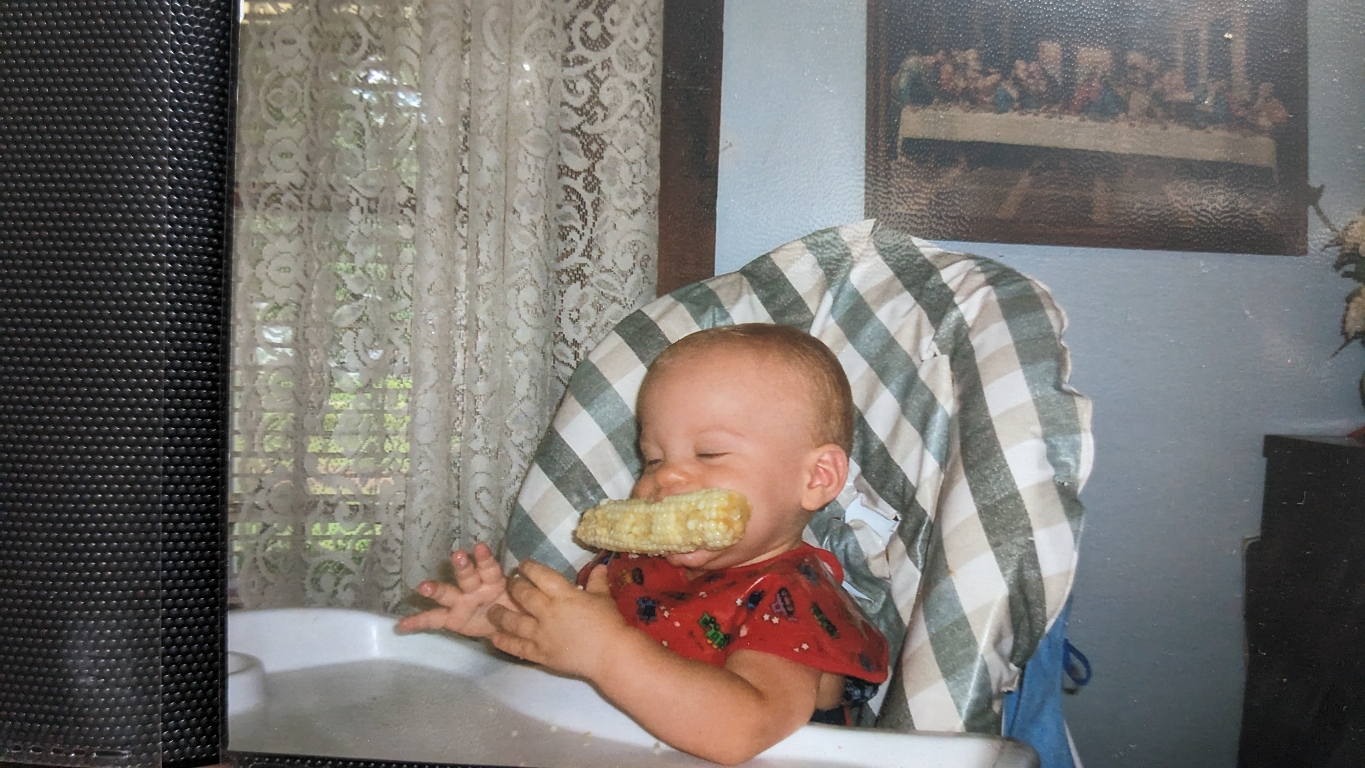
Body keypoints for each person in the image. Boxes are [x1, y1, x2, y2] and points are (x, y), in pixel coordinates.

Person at [397, 323, 889, 765]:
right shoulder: (630, 568)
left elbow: (743, 731)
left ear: (816, 478)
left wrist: (607, 651)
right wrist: (505, 618)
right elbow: (572, 654)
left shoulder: (791, 599)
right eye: (653, 459)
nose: (667, 476)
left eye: (709, 453)